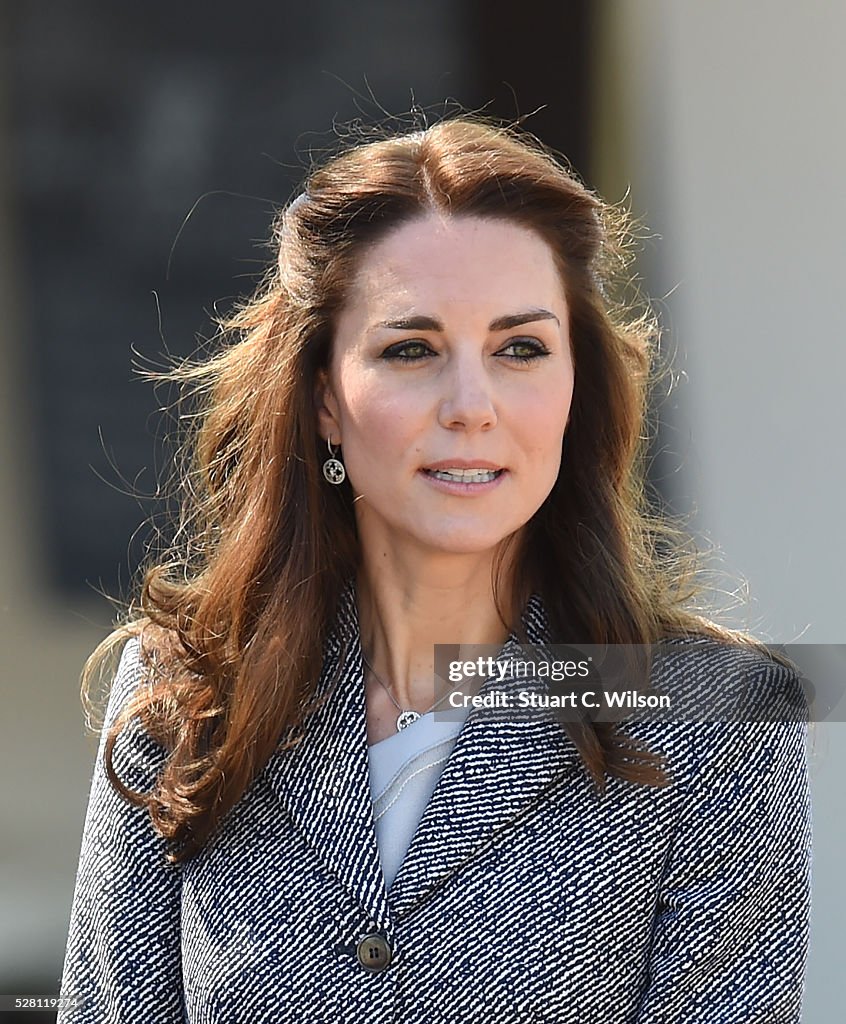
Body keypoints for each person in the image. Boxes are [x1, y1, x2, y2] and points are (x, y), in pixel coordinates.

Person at [57, 116, 812, 1024]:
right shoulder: (184, 693)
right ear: (325, 398)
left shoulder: (717, 714)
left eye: (520, 349)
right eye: (410, 349)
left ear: (577, 385)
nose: (471, 406)